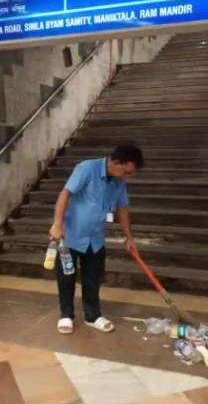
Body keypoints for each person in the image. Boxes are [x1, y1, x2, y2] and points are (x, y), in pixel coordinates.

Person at [49, 143, 144, 334]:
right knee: (66, 276)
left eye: (130, 174)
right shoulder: (87, 169)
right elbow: (65, 194)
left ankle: (92, 316)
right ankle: (66, 315)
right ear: (116, 162)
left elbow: (122, 208)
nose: (127, 177)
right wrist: (57, 224)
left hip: (95, 238)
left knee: (93, 278)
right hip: (70, 236)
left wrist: (129, 237)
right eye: (126, 172)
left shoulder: (119, 182)